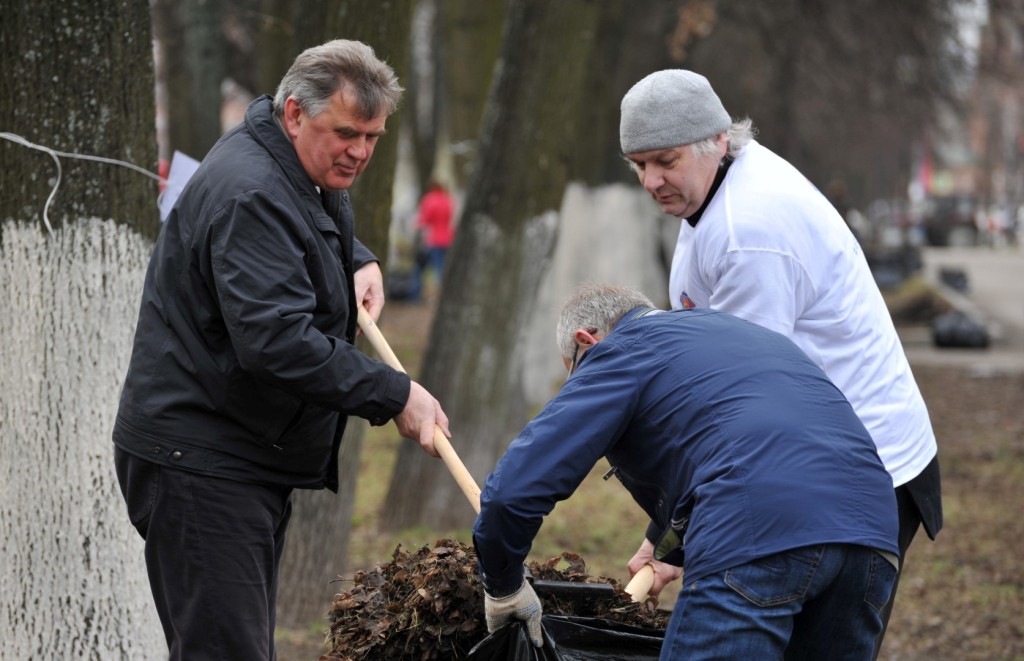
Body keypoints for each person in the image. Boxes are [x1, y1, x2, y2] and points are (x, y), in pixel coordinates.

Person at [112, 40, 450, 661]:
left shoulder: (291, 160)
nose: (360, 152)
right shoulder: (253, 191)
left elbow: (303, 225)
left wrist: (360, 258)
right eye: (347, 132)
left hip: (238, 451)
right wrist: (395, 393)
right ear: (295, 112)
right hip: (202, 462)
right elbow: (278, 343)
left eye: (373, 137)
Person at [619, 69, 942, 656]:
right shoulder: (718, 187)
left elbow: (744, 409)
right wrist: (673, 538)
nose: (650, 180)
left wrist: (673, 537)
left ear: (716, 139)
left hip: (869, 467)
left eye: (663, 160)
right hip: (813, 456)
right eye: (638, 165)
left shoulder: (751, 232)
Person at [474, 284, 899, 658]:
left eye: (573, 369)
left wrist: (504, 587)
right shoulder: (733, 334)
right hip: (873, 529)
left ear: (586, 341)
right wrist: (661, 547)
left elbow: (512, 492)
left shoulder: (620, 350)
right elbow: (745, 439)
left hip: (759, 525)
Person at [413, 179, 455, 299]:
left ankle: (415, 296)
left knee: (419, 269)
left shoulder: (430, 199)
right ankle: (444, 295)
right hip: (447, 238)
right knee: (440, 268)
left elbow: (425, 219)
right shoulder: (447, 200)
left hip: (432, 239)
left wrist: (416, 226)